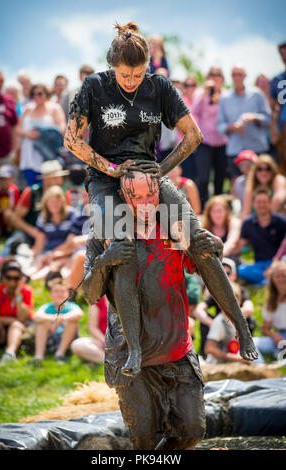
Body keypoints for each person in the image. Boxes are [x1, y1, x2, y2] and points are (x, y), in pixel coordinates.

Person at [65, 21, 257, 378]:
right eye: (125, 74)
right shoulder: (94, 86)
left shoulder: (160, 86)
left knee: (198, 242)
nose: (131, 81)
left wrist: (160, 169)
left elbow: (193, 135)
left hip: (150, 174)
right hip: (106, 180)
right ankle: (135, 348)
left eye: (138, 74)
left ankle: (242, 328)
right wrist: (111, 169)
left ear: (148, 66)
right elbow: (72, 141)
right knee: (120, 249)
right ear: (112, 65)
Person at [81, 169, 257, 450]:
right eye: (136, 197)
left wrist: (218, 246)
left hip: (177, 349)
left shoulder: (173, 228)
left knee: (192, 430)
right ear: (123, 199)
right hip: (129, 354)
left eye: (150, 194)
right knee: (145, 439)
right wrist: (105, 261)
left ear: (160, 193)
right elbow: (89, 295)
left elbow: (205, 266)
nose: (145, 203)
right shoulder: (103, 235)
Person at [217, 65, 271, 180]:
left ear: (245, 76)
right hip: (235, 150)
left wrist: (255, 117)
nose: (237, 77)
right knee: (236, 185)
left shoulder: (257, 94)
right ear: (231, 76)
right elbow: (220, 125)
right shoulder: (225, 98)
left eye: (239, 74)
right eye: (234, 74)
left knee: (259, 184)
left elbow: (268, 119)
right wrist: (233, 127)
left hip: (257, 148)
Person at [195, 257, 256, 358]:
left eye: (226, 273)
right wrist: (213, 323)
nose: (223, 276)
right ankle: (205, 355)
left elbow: (249, 308)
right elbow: (199, 309)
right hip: (222, 324)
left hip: (236, 324)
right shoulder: (215, 291)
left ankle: (247, 349)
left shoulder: (241, 290)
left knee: (249, 320)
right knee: (205, 322)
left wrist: (232, 319)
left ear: (234, 275)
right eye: (219, 273)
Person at [15, 83, 66, 186]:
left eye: (39, 93)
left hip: (48, 153)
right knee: (32, 187)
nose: (36, 96)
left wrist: (43, 134)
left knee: (49, 186)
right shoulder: (28, 108)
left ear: (46, 94)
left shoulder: (54, 108)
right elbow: (18, 129)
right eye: (33, 94)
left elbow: (62, 128)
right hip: (29, 153)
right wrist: (28, 134)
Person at [192, 67, 228, 207]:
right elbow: (193, 111)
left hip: (222, 143)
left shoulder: (226, 95)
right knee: (203, 179)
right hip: (204, 143)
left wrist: (219, 98)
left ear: (223, 78)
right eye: (212, 74)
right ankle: (202, 208)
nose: (215, 77)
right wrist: (205, 93)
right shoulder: (200, 93)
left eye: (218, 74)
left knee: (220, 179)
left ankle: (220, 209)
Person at [0, 260, 33, 364]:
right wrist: (10, 320)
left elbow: (22, 319)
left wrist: (18, 297)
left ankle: (9, 354)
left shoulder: (26, 291)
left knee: (16, 324)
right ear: (3, 277)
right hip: (0, 333)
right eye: (9, 278)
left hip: (18, 332)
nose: (12, 283)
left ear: (21, 279)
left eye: (16, 278)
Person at [238, 187, 286, 286]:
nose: (262, 205)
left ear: (270, 202)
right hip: (259, 265)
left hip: (279, 263)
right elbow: (241, 246)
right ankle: (268, 281)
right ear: (253, 204)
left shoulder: (281, 221)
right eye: (259, 202)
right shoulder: (248, 223)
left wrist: (275, 265)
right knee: (241, 270)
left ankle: (264, 280)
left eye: (264, 202)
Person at [28, 185, 78, 280]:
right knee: (38, 261)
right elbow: (40, 243)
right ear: (46, 203)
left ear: (63, 201)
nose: (54, 204)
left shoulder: (72, 215)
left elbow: (70, 244)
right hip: (49, 251)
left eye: (57, 201)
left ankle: (32, 279)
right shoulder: (43, 218)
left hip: (67, 252)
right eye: (51, 201)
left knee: (51, 266)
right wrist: (38, 257)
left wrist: (52, 254)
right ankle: (25, 276)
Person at [32, 272, 82, 363]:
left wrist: (62, 318)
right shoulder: (47, 307)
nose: (59, 294)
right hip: (51, 338)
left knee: (73, 322)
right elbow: (36, 316)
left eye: (62, 291)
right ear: (50, 294)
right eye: (56, 291)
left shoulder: (71, 306)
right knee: (42, 323)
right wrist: (54, 318)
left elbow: (79, 313)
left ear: (68, 294)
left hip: (67, 341)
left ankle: (60, 354)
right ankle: (38, 356)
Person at [204, 282, 251, 365]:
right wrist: (237, 358)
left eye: (234, 300)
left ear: (239, 301)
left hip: (233, 365)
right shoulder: (219, 322)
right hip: (219, 366)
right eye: (225, 300)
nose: (230, 304)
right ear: (218, 302)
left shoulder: (239, 321)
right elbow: (209, 349)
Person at [253, 261, 286, 364]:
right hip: (279, 337)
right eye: (277, 276)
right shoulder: (270, 302)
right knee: (250, 343)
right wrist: (274, 335)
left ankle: (279, 365)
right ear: (272, 279)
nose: (280, 279)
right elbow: (265, 329)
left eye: (283, 276)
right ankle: (262, 368)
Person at [241, 154, 286, 220]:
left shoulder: (278, 180)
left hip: (276, 222)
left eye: (268, 169)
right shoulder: (251, 185)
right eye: (260, 169)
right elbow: (246, 212)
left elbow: (279, 199)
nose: (264, 172)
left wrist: (264, 218)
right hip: (256, 224)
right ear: (255, 171)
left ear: (272, 170)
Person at [201, 195, 241, 264]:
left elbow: (231, 242)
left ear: (226, 211)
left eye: (220, 211)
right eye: (214, 212)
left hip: (230, 259)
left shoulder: (234, 222)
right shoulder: (204, 226)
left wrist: (217, 256)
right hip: (211, 261)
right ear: (209, 213)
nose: (217, 215)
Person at [71, 296, 107, 364]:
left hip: (123, 342)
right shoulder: (97, 300)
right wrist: (105, 342)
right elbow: (93, 327)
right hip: (103, 341)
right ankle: (108, 361)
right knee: (77, 345)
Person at [0, 164, 20, 240]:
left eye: (6, 179)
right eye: (1, 179)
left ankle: (10, 233)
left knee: (7, 213)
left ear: (12, 178)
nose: (4, 181)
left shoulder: (13, 190)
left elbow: (12, 207)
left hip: (10, 218)